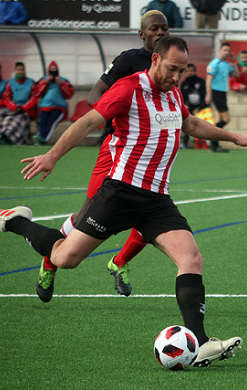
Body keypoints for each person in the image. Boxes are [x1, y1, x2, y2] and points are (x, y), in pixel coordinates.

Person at [0, 36, 247, 368]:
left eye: (182, 70)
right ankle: (14, 220)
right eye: (172, 69)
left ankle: (201, 342)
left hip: (156, 200)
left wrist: (234, 136)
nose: (177, 77)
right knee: (65, 257)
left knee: (191, 258)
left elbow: (189, 123)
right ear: (155, 60)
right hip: (119, 194)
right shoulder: (128, 89)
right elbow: (88, 121)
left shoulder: (173, 94)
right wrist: (52, 155)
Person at [32, 10, 169, 303]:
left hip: (151, 152)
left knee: (155, 213)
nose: (160, 32)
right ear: (142, 34)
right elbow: (95, 97)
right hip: (117, 148)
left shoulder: (171, 66)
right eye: (154, 28)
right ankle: (49, 262)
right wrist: (124, 113)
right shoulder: (128, 62)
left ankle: (119, 261)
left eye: (164, 28)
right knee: (86, 213)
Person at [206, 42, 238, 152]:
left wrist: (234, 63)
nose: (227, 52)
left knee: (219, 120)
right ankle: (212, 140)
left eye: (228, 51)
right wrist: (209, 95)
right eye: (225, 50)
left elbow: (235, 74)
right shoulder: (215, 63)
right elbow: (209, 79)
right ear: (219, 51)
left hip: (223, 93)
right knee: (226, 119)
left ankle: (215, 145)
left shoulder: (227, 64)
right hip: (216, 93)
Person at [0, 62, 37, 145]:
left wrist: (24, 108)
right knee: (3, 120)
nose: (20, 72)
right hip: (12, 109)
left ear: (24, 70)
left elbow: (33, 98)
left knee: (17, 121)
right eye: (18, 70)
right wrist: (14, 107)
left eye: (22, 70)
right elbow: (6, 98)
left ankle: (10, 138)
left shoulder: (31, 83)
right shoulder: (10, 83)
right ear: (15, 70)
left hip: (25, 110)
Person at [34, 61, 75, 145]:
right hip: (44, 107)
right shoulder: (43, 79)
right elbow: (37, 93)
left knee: (51, 122)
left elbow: (69, 94)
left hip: (59, 108)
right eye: (51, 69)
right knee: (42, 121)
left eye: (55, 69)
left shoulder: (64, 80)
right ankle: (40, 137)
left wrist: (61, 84)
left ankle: (44, 139)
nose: (53, 71)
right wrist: (45, 82)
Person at [179, 63, 206, 148]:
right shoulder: (183, 84)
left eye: (191, 71)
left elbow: (205, 96)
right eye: (187, 71)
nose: (190, 73)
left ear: (195, 71)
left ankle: (203, 144)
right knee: (187, 123)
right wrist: (185, 106)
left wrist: (199, 108)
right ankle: (185, 143)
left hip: (201, 108)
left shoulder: (201, 82)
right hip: (189, 108)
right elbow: (182, 97)